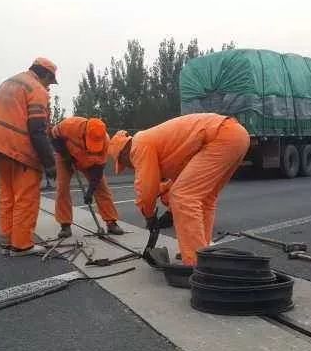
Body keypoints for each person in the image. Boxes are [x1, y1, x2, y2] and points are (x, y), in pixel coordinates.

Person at [107, 113, 249, 266]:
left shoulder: (138, 145)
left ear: (123, 155)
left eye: (124, 164)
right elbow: (177, 179)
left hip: (220, 137)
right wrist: (164, 195)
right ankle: (202, 251)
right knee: (204, 198)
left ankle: (196, 262)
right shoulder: (154, 141)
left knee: (184, 196)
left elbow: (146, 188)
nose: (129, 167)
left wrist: (149, 215)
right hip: (236, 136)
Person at [0, 57, 58, 257]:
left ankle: (7, 240)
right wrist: (49, 163)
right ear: (46, 75)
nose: (49, 86)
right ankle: (22, 245)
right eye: (50, 81)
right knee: (26, 198)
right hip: (21, 151)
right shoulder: (36, 89)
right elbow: (37, 129)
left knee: (7, 195)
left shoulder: (9, 82)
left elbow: (3, 118)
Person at [50, 116, 125, 238]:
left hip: (90, 163)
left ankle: (111, 222)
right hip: (66, 158)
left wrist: (90, 191)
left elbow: (98, 170)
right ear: (85, 132)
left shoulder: (106, 141)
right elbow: (53, 135)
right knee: (62, 187)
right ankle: (65, 225)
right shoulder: (69, 125)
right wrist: (65, 154)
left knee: (102, 188)